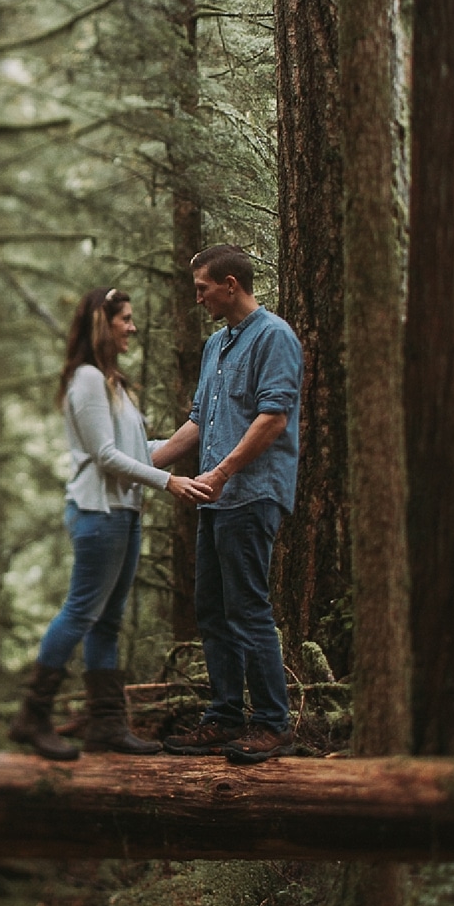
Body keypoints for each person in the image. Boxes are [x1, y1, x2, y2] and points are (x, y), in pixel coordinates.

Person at [9, 286, 208, 761]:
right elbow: (105, 457)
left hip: (123, 513)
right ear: (105, 322)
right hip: (99, 515)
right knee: (81, 611)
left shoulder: (113, 383)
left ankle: (106, 725)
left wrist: (196, 431)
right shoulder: (87, 381)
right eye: (126, 319)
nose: (133, 328)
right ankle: (32, 715)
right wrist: (169, 484)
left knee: (108, 620)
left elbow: (137, 451)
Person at [152, 244, 304, 765]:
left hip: (251, 493)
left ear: (231, 285)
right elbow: (197, 422)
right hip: (214, 499)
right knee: (212, 609)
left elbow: (273, 418)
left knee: (247, 608)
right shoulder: (216, 347)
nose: (198, 299)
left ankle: (272, 724)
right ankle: (223, 717)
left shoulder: (275, 337)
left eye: (202, 289)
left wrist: (220, 473)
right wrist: (144, 455)